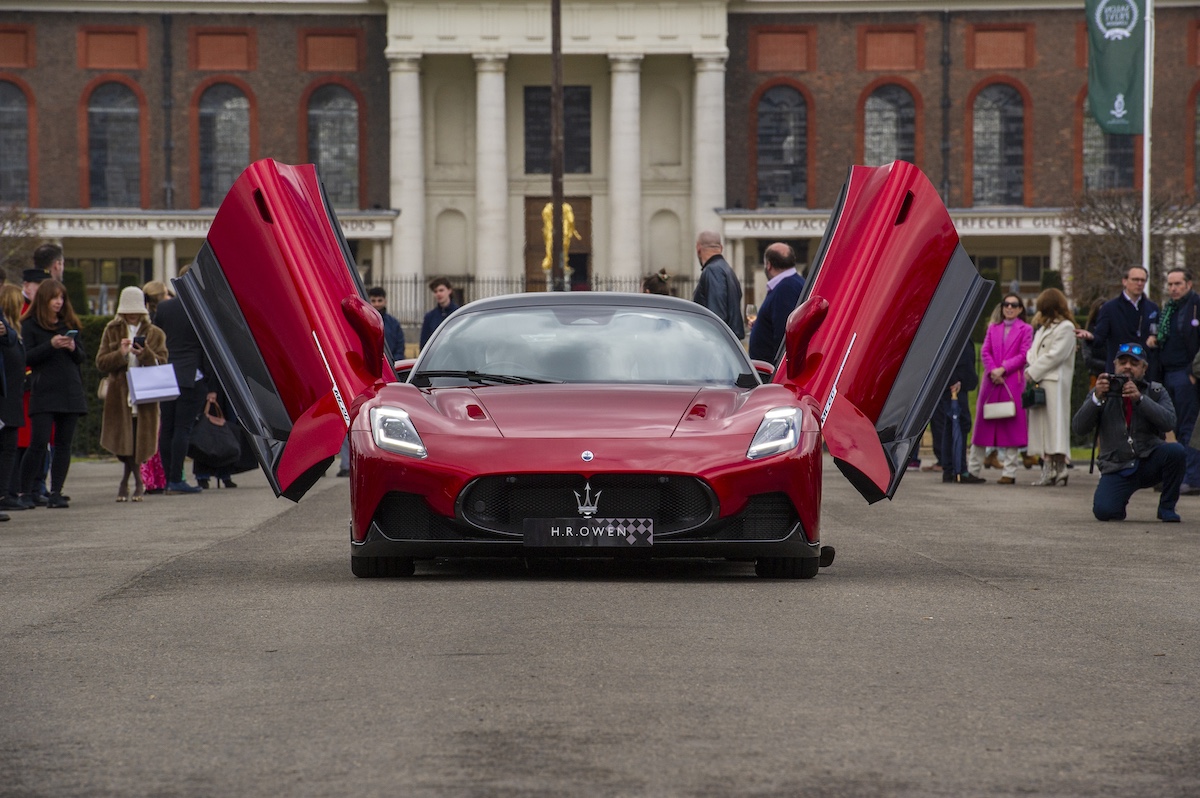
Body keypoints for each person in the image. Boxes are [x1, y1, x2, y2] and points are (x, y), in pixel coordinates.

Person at [1072, 342, 1185, 522]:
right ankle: (1117, 502)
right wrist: (1096, 398)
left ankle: (1167, 507)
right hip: (1117, 465)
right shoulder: (1102, 391)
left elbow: (1169, 422)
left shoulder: (1155, 391)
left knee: (1176, 452)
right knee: (1105, 512)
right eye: (1123, 362)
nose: (1127, 367)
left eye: (1134, 363)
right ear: (1114, 365)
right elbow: (1078, 428)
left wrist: (1140, 399)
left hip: (1149, 459)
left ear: (1144, 368)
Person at [17, 279, 86, 509]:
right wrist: (52, 345)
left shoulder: (68, 323)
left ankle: (57, 491)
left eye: (61, 298)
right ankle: (25, 490)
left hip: (70, 390)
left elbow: (82, 358)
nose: (59, 302)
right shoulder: (30, 325)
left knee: (64, 445)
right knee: (38, 442)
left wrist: (73, 347)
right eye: (54, 298)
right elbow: (27, 356)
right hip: (44, 390)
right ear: (44, 299)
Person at [96, 286, 169, 502]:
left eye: (136, 310)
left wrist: (144, 354)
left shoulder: (155, 333)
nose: (132, 314)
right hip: (119, 395)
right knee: (122, 441)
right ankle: (136, 480)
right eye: (129, 310)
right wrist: (120, 354)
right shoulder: (112, 329)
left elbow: (162, 362)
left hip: (145, 393)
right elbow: (100, 362)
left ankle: (130, 482)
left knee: (140, 440)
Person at [966, 294, 1033, 485]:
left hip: (1011, 381)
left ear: (1020, 309)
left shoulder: (1026, 329)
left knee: (1011, 427)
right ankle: (973, 469)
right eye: (1006, 304)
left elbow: (1024, 355)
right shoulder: (993, 328)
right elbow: (985, 351)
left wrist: (1003, 368)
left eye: (1014, 305)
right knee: (981, 428)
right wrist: (993, 369)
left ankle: (1009, 472)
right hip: (991, 382)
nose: (1009, 308)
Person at [155, 285, 216, 495]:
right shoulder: (200, 308)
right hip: (191, 374)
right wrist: (208, 378)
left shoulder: (163, 308)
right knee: (183, 428)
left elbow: (156, 338)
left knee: (167, 428)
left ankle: (167, 479)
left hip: (166, 373)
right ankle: (176, 479)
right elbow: (208, 346)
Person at [1025, 288, 1077, 486]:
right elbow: (1033, 352)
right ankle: (1048, 468)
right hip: (1042, 381)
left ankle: (1060, 467)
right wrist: (1032, 366)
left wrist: (1033, 370)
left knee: (1055, 425)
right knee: (1043, 426)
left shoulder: (1065, 327)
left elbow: (1056, 355)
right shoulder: (1044, 328)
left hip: (1055, 381)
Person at [1155, 269, 1200, 495]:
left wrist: (1194, 372)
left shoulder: (1195, 305)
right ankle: (1179, 476)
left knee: (1188, 427)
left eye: (1178, 283)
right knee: (1173, 426)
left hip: (1186, 375)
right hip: (1168, 374)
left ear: (1189, 284)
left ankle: (1192, 478)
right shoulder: (1169, 310)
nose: (1173, 288)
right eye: (1170, 284)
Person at [1079, 265, 1158, 373]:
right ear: (1124, 281)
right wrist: (1090, 337)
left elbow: (1157, 333)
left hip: (1145, 370)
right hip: (1119, 369)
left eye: (1142, 280)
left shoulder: (1152, 308)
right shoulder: (1109, 308)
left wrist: (1155, 339)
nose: (1139, 283)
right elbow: (1099, 338)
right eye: (1135, 279)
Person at [748, 243, 805, 363]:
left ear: (768, 265)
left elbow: (783, 335)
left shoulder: (785, 288)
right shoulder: (792, 283)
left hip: (772, 370)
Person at [139, 280, 171, 494]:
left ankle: (152, 476)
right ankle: (154, 477)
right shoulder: (156, 324)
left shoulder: (151, 322)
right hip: (153, 378)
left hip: (148, 378)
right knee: (154, 429)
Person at [940, 341, 982, 483]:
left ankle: (952, 469)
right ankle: (957, 469)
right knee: (958, 423)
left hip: (957, 382)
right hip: (954, 384)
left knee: (953, 424)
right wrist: (953, 380)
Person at [0, 286, 25, 518]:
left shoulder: (12, 331)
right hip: (4, 397)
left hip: (13, 396)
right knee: (6, 448)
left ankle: (5, 493)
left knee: (9, 448)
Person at [692, 231, 744, 339]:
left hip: (717, 343)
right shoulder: (727, 269)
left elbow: (716, 315)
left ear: (698, 248)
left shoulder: (713, 270)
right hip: (729, 342)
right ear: (721, 247)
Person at [420, 277, 459, 348]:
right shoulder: (429, 317)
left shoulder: (458, 313)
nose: (438, 294)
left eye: (441, 290)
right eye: (435, 291)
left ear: (449, 290)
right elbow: (424, 343)